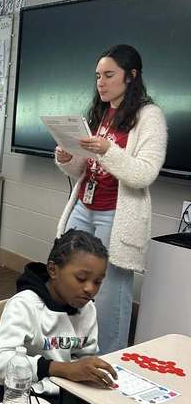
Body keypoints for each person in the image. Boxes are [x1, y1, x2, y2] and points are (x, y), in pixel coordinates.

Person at [55, 44, 167, 353]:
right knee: (69, 279)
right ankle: (74, 348)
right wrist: (69, 157)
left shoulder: (149, 116)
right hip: (84, 206)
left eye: (108, 75)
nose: (100, 83)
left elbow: (144, 173)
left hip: (115, 215)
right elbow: (85, 167)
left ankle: (110, 358)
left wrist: (107, 150)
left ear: (131, 77)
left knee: (108, 294)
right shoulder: (102, 113)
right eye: (97, 76)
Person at [0, 229, 117, 400]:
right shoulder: (25, 305)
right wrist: (59, 368)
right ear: (53, 270)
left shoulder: (87, 308)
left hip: (69, 392)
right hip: (24, 397)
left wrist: (88, 369)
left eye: (97, 282)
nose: (90, 289)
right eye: (81, 278)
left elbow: (85, 355)